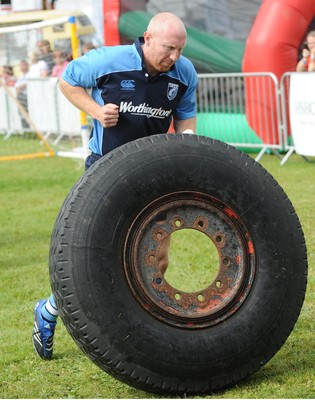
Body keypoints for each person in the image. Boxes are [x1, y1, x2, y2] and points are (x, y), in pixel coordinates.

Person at [32, 12, 198, 360]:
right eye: (169, 49)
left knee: (158, 256)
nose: (175, 58)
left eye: (180, 50)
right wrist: (95, 110)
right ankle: (48, 311)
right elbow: (67, 81)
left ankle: (150, 328)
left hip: (153, 173)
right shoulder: (109, 60)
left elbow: (185, 121)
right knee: (93, 260)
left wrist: (188, 143)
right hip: (104, 171)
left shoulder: (184, 74)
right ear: (147, 38)